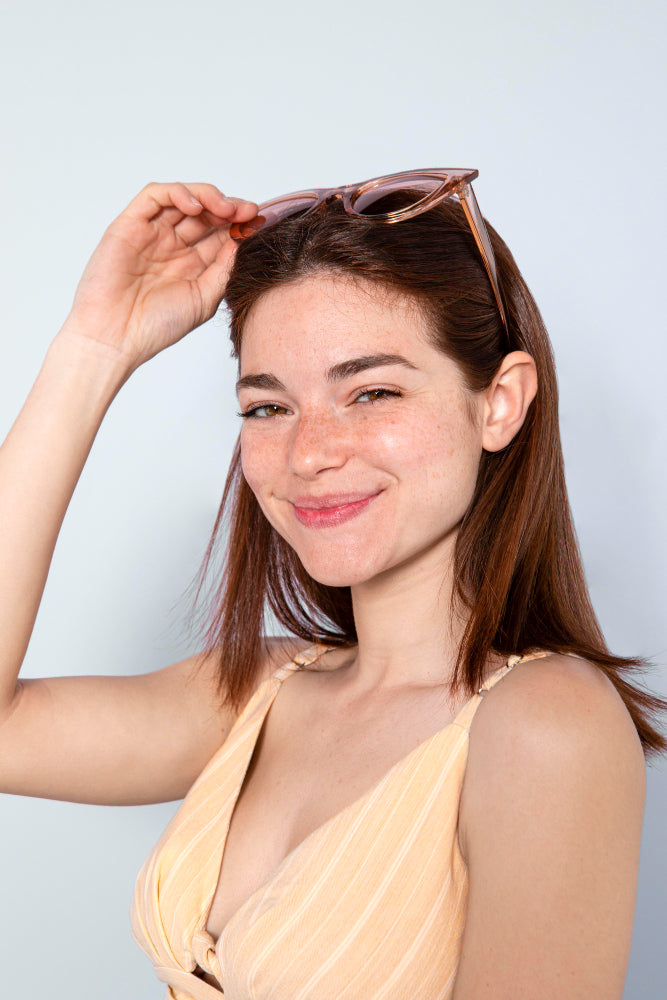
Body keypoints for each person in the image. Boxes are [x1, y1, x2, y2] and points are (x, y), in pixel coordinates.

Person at [0, 172, 664, 1000]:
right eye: (268, 408)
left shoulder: (544, 725)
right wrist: (94, 347)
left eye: (372, 391)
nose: (309, 453)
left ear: (498, 403)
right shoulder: (254, 692)